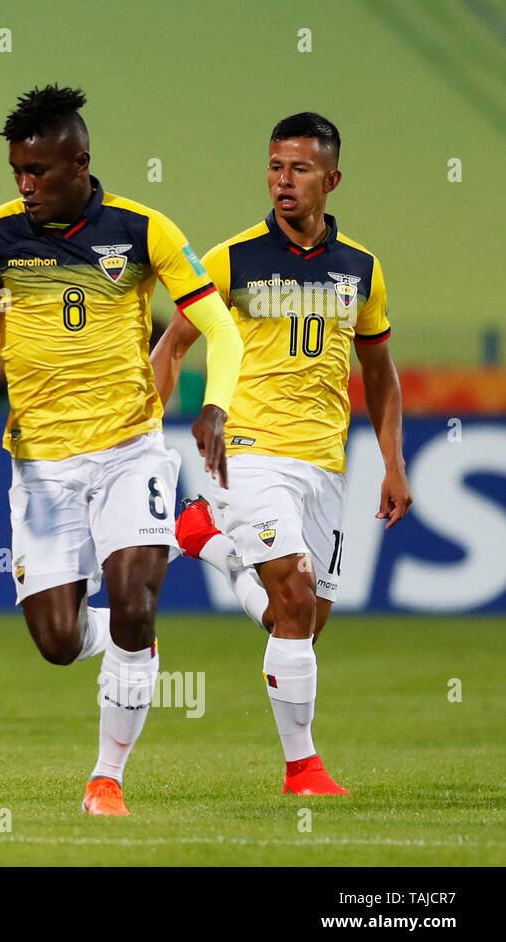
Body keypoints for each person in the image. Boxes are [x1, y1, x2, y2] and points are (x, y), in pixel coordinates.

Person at [0, 86, 244, 816]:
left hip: (130, 449)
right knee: (58, 641)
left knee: (133, 608)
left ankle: (106, 779)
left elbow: (222, 330)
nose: (26, 186)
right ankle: (172, 568)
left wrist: (216, 404)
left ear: (80, 163)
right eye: (16, 173)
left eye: (38, 171)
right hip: (40, 467)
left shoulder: (143, 230)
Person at [152, 112, 410, 796]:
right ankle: (304, 770)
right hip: (247, 450)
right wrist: (144, 431)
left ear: (331, 178)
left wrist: (393, 462)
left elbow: (380, 372)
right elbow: (175, 346)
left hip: (325, 461)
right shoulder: (232, 258)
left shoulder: (361, 268)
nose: (283, 181)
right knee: (293, 597)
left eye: (298, 169)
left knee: (298, 622)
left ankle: (204, 537)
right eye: (274, 166)